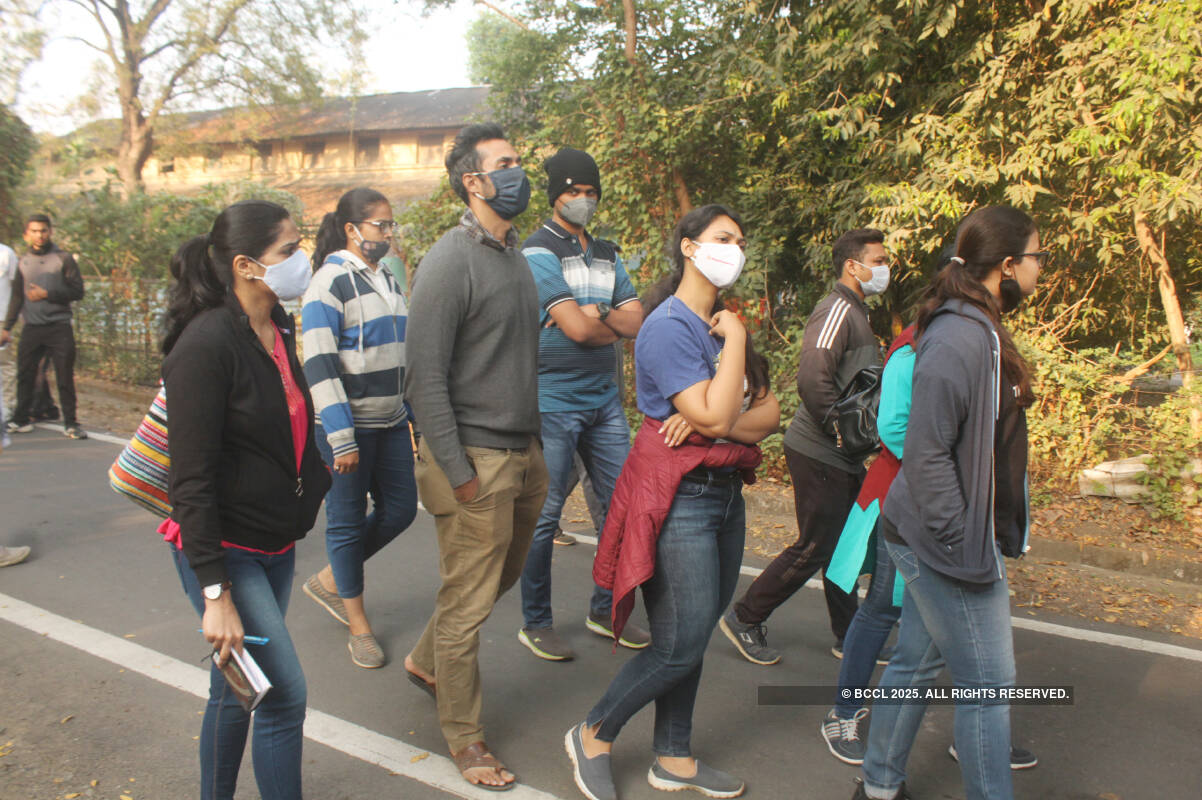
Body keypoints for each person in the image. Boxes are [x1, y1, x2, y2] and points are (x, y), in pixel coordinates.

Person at [566, 205, 780, 800]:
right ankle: (593, 732)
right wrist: (720, 396)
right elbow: (717, 412)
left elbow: (767, 415)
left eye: (739, 239)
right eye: (720, 238)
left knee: (693, 633)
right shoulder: (669, 326)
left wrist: (714, 420)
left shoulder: (722, 320)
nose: (733, 248)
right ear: (688, 247)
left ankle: (675, 757)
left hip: (725, 496)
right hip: (680, 499)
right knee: (679, 642)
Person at [854, 206, 1044, 800]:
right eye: (1038, 257)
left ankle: (878, 786)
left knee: (914, 662)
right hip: (944, 540)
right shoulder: (961, 335)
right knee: (989, 687)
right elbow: (927, 449)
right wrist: (963, 546)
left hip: (952, 532)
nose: (1042, 269)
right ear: (1008, 265)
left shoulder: (981, 326)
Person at [160, 200, 331, 800]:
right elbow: (192, 482)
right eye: (288, 250)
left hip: (274, 542)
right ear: (245, 265)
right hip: (225, 553)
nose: (301, 259)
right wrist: (215, 594)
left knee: (236, 690)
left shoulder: (278, 324)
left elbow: (288, 419)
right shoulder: (204, 346)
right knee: (285, 697)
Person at [402, 122, 548, 791]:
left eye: (519, 161)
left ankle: (427, 660)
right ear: (474, 181)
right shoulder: (448, 260)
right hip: (474, 461)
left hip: (523, 455)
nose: (521, 172)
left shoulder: (514, 256)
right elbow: (422, 378)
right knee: (468, 604)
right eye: (507, 163)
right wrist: (459, 473)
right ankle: (466, 739)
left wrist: (534, 448)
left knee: (493, 583)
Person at [721, 228, 891, 665]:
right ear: (853, 266)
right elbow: (812, 377)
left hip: (844, 454)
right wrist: (840, 431)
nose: (884, 268)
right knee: (816, 544)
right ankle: (745, 616)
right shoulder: (835, 309)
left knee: (845, 545)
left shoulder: (857, 311)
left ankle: (850, 635)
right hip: (820, 451)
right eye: (877, 259)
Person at [517, 147, 649, 661]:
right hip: (552, 401)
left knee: (620, 508)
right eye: (573, 191)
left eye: (590, 192)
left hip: (604, 402)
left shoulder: (608, 252)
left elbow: (636, 321)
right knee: (544, 517)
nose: (583, 200)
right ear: (556, 196)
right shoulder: (536, 252)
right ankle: (536, 621)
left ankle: (603, 610)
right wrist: (602, 320)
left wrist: (597, 317)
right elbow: (576, 326)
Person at [300, 187, 418, 669]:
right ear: (352, 229)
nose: (388, 234)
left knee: (402, 510)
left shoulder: (385, 278)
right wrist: (340, 435)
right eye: (380, 226)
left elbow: (399, 353)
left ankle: (331, 580)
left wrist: (411, 415)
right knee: (346, 523)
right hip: (348, 429)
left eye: (392, 226)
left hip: (390, 422)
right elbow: (321, 364)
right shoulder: (328, 284)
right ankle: (358, 623)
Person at [2, 214, 86, 439]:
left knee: (64, 376)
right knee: (25, 374)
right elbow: (18, 298)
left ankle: (71, 423)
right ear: (26, 234)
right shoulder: (23, 261)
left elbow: (78, 292)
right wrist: (7, 327)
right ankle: (21, 419)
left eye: (44, 230)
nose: (39, 235)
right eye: (35, 231)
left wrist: (47, 294)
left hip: (59, 327)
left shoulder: (63, 259)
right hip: (32, 327)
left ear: (50, 232)